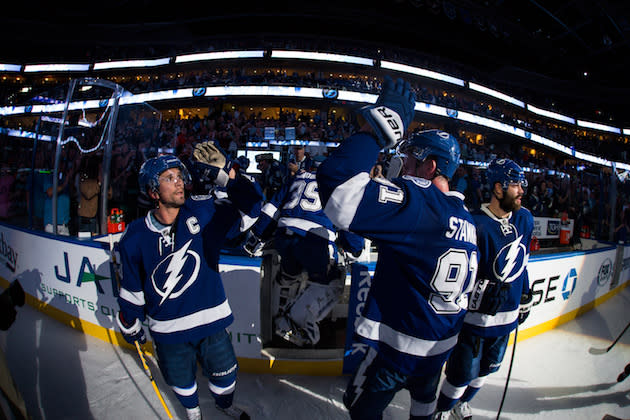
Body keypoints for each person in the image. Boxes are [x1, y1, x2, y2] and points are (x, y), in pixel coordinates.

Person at [317, 76, 479, 420]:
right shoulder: (466, 215)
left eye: (409, 158)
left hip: (398, 349)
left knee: (358, 409)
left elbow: (341, 195)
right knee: (423, 408)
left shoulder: (420, 202)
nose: (402, 164)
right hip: (439, 348)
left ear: (430, 166)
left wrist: (377, 129)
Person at [116, 144, 262, 420]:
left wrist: (228, 177)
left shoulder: (203, 212)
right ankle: (193, 412)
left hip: (212, 322)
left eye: (180, 176)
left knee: (226, 374)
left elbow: (252, 210)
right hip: (168, 331)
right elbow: (133, 289)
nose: (179, 182)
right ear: (153, 191)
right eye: (169, 178)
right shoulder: (134, 236)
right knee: (181, 381)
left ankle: (224, 404)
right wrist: (130, 322)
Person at [434, 158, 534, 420]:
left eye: (522, 184)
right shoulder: (474, 223)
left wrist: (525, 293)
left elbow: (522, 261)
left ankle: (461, 404)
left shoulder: (525, 219)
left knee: (487, 369)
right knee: (461, 373)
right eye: (515, 185)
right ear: (498, 189)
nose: (521, 190)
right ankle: (443, 410)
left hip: (507, 317)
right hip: (474, 320)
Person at [244, 156, 364, 346]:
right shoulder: (335, 184)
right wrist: (354, 248)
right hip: (315, 242)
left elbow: (271, 209)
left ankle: (279, 318)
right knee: (333, 279)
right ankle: (301, 324)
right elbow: (345, 220)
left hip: (284, 237)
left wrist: (258, 236)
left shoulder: (296, 178)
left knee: (289, 275)